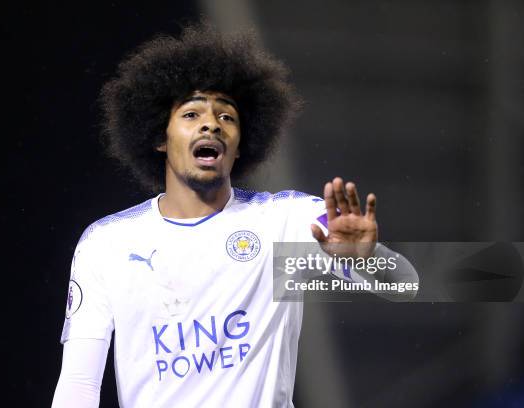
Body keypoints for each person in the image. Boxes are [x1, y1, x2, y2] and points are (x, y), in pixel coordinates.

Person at [52, 23, 418, 408]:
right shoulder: (107, 243)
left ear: (242, 145)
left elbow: (405, 285)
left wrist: (369, 258)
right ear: (160, 138)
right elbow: (79, 385)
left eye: (227, 117)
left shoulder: (284, 221)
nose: (211, 123)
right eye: (191, 114)